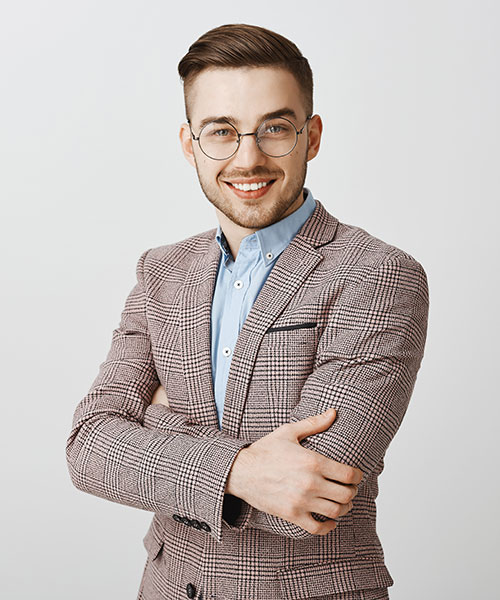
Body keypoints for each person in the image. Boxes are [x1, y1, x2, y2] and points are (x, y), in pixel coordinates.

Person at [66, 23, 429, 600]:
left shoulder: (378, 275)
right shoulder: (161, 272)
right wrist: (243, 470)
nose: (248, 157)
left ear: (312, 136)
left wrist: (154, 426)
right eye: (222, 132)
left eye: (275, 129)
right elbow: (88, 449)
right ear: (190, 144)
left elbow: (310, 496)